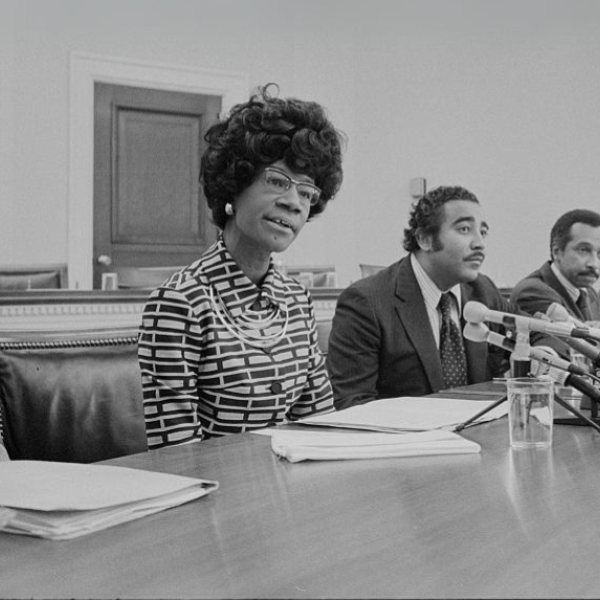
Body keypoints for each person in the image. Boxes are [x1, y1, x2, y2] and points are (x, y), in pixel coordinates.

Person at [138, 85, 344, 448]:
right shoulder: (178, 303)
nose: (294, 203)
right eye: (278, 181)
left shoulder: (297, 300)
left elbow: (321, 427)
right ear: (234, 185)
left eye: (307, 192)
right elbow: (178, 454)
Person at [327, 185, 552, 410]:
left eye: (483, 232)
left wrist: (544, 355)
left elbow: (541, 333)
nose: (479, 243)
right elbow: (352, 405)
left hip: (480, 435)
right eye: (464, 229)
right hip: (407, 440)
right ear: (425, 238)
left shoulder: (482, 290)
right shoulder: (367, 301)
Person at [510, 209, 600, 325]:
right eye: (583, 250)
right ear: (556, 252)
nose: (593, 263)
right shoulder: (532, 293)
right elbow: (573, 343)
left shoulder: (589, 293)